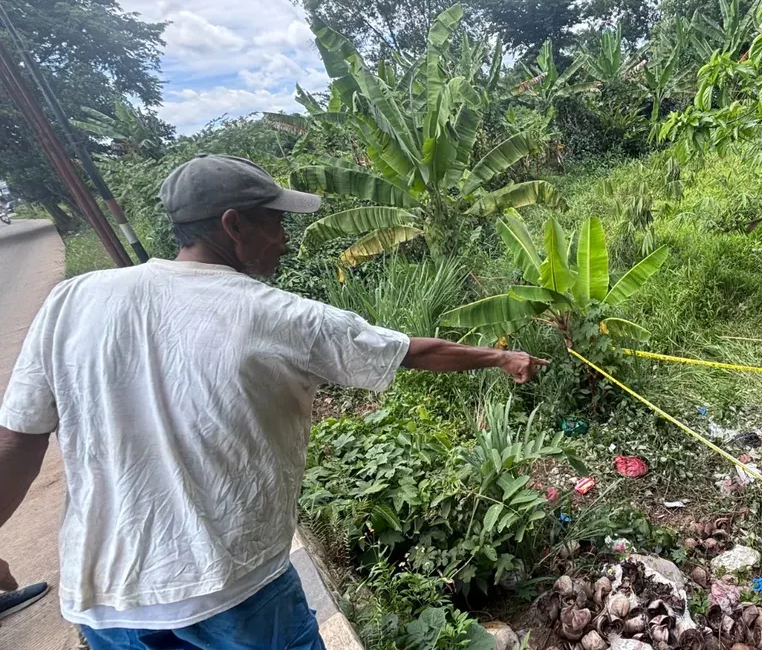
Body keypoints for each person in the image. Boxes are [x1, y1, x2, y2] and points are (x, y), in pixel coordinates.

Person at [0, 154, 548, 649]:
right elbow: (408, 352)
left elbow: (17, 443)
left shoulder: (73, 300)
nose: (285, 239)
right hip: (234, 595)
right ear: (233, 225)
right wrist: (501, 358)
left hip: (107, 605)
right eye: (276, 221)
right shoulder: (281, 316)